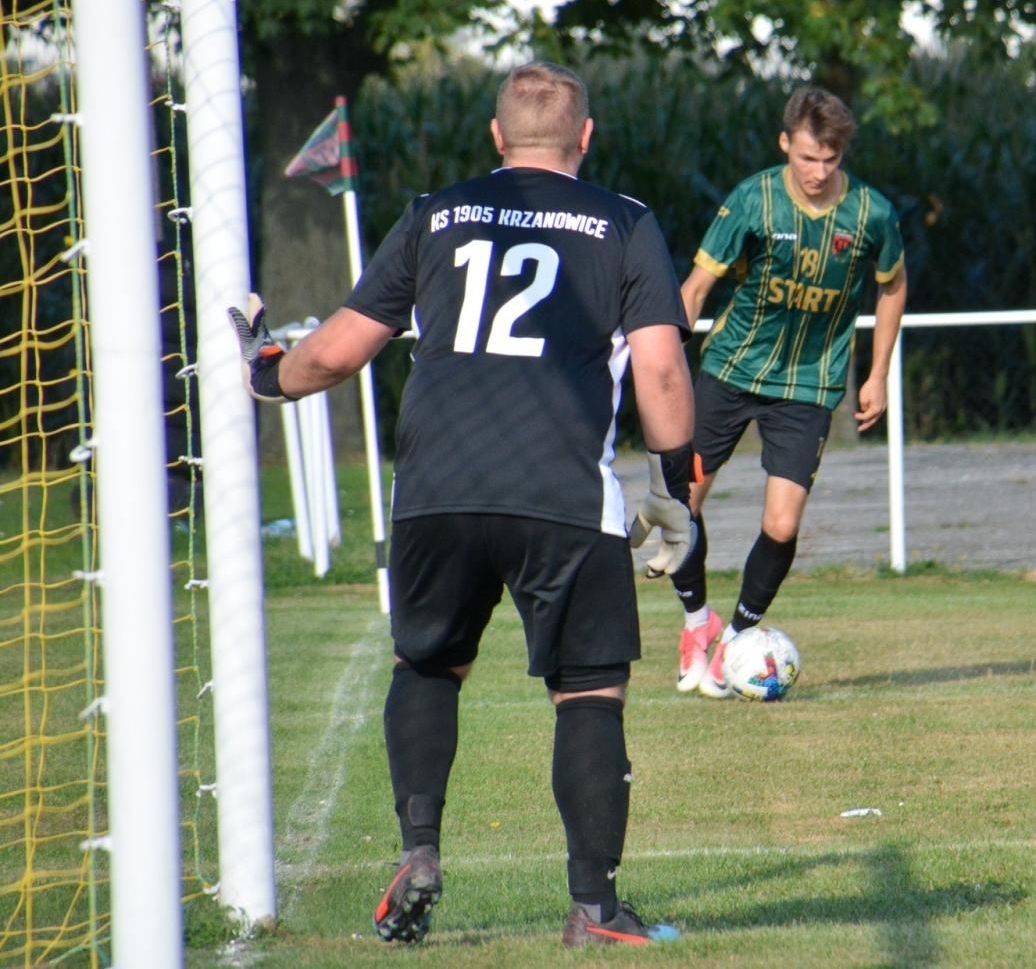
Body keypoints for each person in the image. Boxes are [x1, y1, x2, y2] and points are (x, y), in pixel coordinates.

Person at [228, 63, 695, 946]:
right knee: (589, 690)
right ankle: (594, 908)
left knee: (428, 667)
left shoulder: (438, 213)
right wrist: (675, 489)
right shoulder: (625, 222)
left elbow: (337, 351)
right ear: (584, 139)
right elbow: (663, 368)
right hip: (561, 494)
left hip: (437, 489)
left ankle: (420, 848)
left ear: (496, 138)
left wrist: (265, 373)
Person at [669, 86, 908, 698]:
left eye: (830, 159)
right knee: (680, 506)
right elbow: (697, 287)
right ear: (786, 145)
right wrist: (662, 362)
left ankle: (736, 645)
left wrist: (877, 373)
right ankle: (699, 623)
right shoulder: (753, 200)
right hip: (729, 370)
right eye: (807, 158)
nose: (818, 172)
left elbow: (892, 286)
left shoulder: (871, 214)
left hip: (809, 384)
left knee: (781, 523)